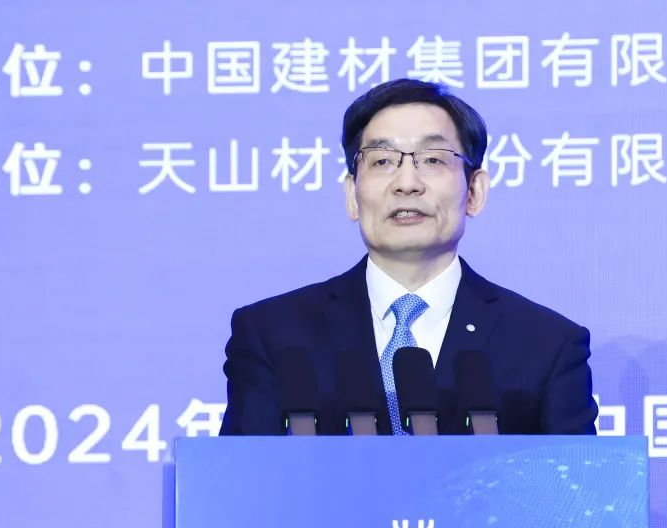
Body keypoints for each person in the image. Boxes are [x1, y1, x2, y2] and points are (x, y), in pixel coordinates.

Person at [219, 78, 597, 436]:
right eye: (382, 161)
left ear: (474, 192)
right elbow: (241, 476)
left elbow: (572, 481)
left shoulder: (546, 345)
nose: (407, 183)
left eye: (432, 159)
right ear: (352, 195)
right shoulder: (273, 333)